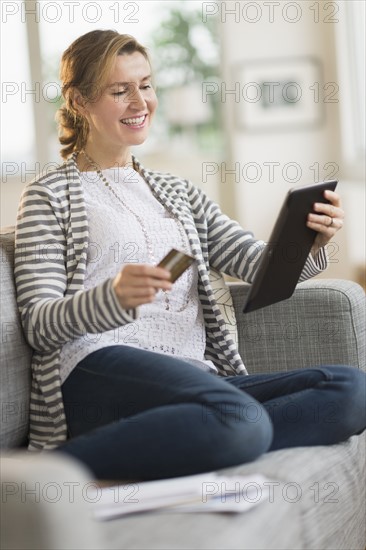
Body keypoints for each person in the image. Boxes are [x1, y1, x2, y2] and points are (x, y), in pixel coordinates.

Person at [14, 30, 365, 481]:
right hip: (97, 366)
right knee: (239, 416)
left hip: (192, 377)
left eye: (145, 84)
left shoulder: (178, 193)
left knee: (350, 389)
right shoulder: (49, 195)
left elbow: (259, 269)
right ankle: (47, 471)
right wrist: (113, 298)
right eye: (119, 91)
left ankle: (209, 432)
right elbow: (39, 324)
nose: (140, 102)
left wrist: (309, 243)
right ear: (79, 101)